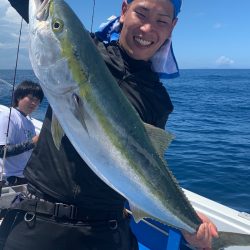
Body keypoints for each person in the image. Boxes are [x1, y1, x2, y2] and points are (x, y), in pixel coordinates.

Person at [1, 0, 218, 250]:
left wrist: (189, 222)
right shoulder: (87, 48)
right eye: (142, 13)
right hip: (37, 222)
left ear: (172, 27)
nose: (147, 29)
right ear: (124, 11)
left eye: (161, 20)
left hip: (106, 231)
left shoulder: (158, 101)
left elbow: (148, 169)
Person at [0, 80, 44, 186]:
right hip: (9, 178)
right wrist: (32, 142)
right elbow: (2, 151)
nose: (34, 103)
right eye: (31, 98)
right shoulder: (8, 117)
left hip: (24, 175)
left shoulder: (30, 123)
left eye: (38, 100)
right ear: (19, 97)